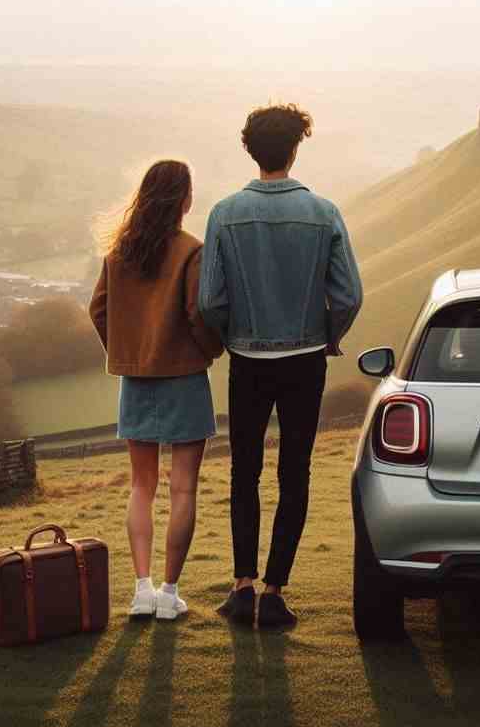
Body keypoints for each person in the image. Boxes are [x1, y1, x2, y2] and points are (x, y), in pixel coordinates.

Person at [199, 104, 363, 628]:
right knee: (296, 472)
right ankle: (274, 592)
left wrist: (231, 336)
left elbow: (209, 300)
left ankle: (241, 585)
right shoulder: (324, 212)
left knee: (243, 471)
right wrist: (328, 338)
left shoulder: (224, 213)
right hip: (305, 362)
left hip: (247, 361)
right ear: (295, 150)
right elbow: (350, 295)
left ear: (250, 149)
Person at [89, 159, 224, 621]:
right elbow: (198, 314)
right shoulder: (192, 250)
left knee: (141, 486)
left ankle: (141, 591)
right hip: (185, 378)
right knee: (184, 489)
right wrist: (209, 350)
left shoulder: (117, 253)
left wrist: (127, 352)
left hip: (137, 381)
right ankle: (169, 594)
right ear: (184, 200)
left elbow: (98, 310)